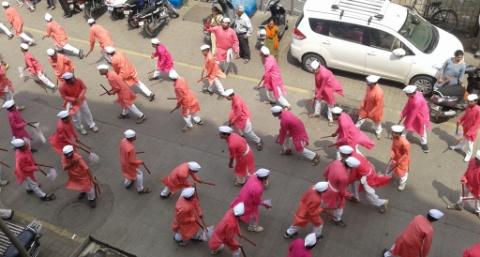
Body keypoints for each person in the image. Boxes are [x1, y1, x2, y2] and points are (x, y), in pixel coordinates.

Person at [321, 156, 353, 227]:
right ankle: (337, 219)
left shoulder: (336, 162)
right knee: (340, 206)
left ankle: (318, 208)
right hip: (334, 192)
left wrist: (326, 178)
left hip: (326, 185)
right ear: (351, 167)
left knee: (322, 199)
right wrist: (348, 195)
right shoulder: (344, 177)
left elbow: (326, 171)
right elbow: (342, 191)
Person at [398, 85, 431, 153]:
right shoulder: (415, 94)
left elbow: (412, 115)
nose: (406, 95)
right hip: (415, 112)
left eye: (406, 94)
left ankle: (424, 143)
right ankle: (402, 137)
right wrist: (403, 113)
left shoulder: (417, 101)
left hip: (421, 116)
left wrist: (407, 123)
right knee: (406, 126)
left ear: (411, 93)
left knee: (421, 129)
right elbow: (408, 105)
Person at [310, 60, 344, 125]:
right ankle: (316, 113)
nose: (314, 71)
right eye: (313, 70)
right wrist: (316, 90)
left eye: (315, 70)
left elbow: (323, 86)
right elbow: (317, 81)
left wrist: (318, 93)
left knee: (330, 103)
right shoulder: (317, 70)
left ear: (318, 67)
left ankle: (330, 119)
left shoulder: (324, 74)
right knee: (318, 100)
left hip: (328, 87)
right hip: (322, 85)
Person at [449, 94, 480, 162]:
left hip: (472, 132)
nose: (469, 103)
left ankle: (469, 154)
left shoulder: (478, 110)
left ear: (476, 101)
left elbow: (477, 124)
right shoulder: (468, 107)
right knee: (464, 139)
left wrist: (470, 132)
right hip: (465, 127)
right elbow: (465, 116)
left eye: (471, 101)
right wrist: (460, 120)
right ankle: (460, 146)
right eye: (468, 101)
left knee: (470, 144)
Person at [119, 129, 151, 194]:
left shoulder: (123, 141)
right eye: (134, 136)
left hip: (123, 162)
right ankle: (140, 189)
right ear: (131, 138)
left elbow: (125, 151)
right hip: (129, 165)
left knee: (127, 174)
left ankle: (127, 184)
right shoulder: (130, 148)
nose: (135, 137)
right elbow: (132, 161)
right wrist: (140, 162)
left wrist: (132, 153)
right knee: (139, 174)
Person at [449, 150, 480, 215]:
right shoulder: (472, 161)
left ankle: (478, 211)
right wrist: (464, 177)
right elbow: (468, 170)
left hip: (478, 189)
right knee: (463, 195)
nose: (477, 161)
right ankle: (459, 206)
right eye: (477, 159)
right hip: (468, 183)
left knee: (478, 201)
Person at [355, 75, 384, 139]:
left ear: (373, 83)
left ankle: (378, 131)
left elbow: (378, 106)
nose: (366, 83)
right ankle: (355, 130)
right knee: (360, 119)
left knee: (377, 122)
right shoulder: (369, 87)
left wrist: (371, 113)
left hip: (375, 110)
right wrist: (363, 102)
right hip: (366, 107)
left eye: (368, 82)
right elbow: (366, 95)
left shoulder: (379, 93)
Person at [386, 125, 411, 191]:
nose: (392, 133)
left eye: (393, 132)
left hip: (402, 160)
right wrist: (392, 153)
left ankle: (403, 182)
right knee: (390, 166)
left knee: (402, 172)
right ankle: (388, 176)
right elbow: (393, 147)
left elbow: (406, 154)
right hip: (395, 157)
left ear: (398, 133)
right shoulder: (394, 138)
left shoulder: (405, 143)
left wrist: (399, 161)